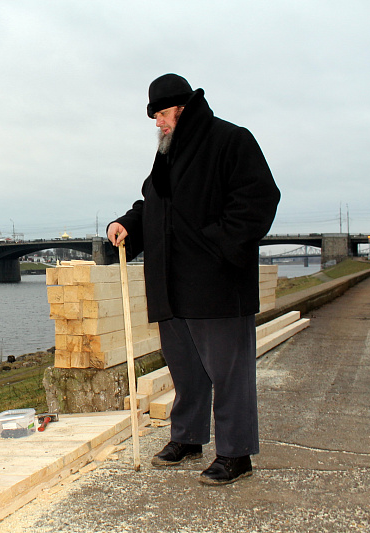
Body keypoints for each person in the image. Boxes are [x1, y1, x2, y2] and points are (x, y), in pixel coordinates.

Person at [107, 74, 280, 485]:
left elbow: (259, 199)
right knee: (185, 371)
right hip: (172, 287)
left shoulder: (231, 141)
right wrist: (128, 224)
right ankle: (187, 438)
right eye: (155, 117)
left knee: (229, 374)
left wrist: (217, 246)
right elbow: (153, 204)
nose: (157, 124)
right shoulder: (167, 157)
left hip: (217, 286)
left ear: (182, 110)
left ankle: (236, 454)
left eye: (162, 115)